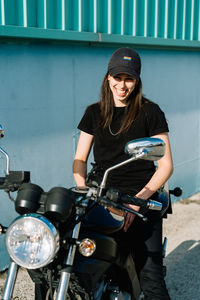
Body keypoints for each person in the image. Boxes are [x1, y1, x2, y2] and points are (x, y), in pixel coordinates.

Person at [73, 47, 173, 300]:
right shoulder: (93, 113)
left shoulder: (150, 112)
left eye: (128, 78)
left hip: (140, 197)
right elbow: (79, 159)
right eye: (117, 77)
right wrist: (84, 190)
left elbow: (166, 165)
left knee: (151, 276)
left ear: (137, 80)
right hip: (102, 196)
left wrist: (137, 202)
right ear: (108, 77)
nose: (122, 84)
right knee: (81, 260)